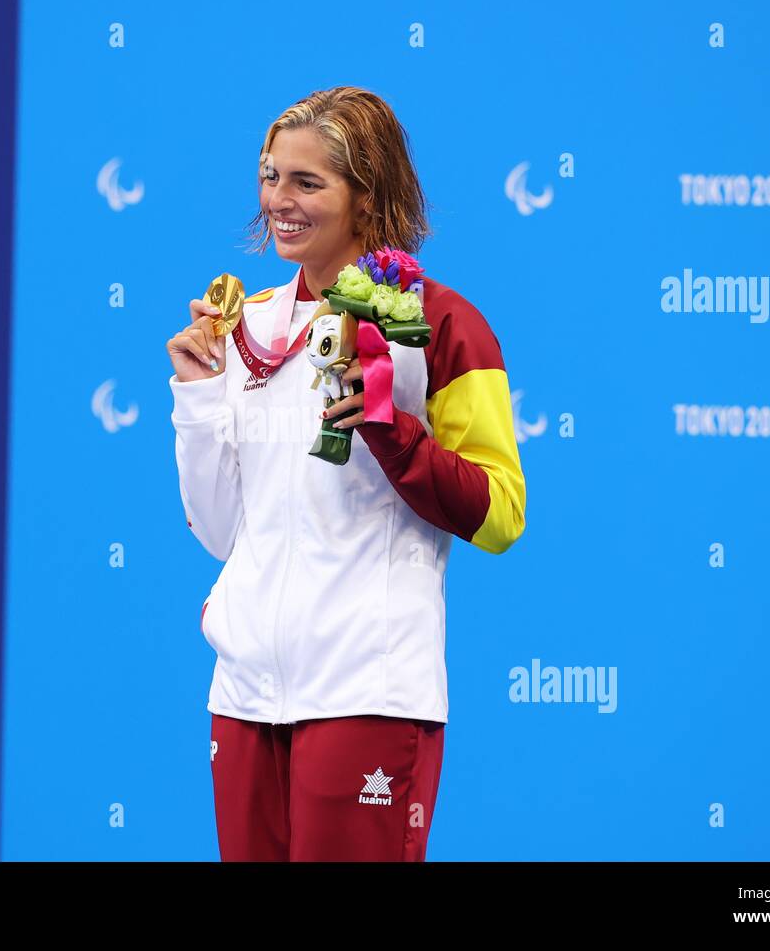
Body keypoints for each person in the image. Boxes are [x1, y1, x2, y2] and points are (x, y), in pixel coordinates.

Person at [165, 86, 526, 861]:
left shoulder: (441, 326)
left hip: (369, 689)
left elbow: (499, 515)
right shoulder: (243, 326)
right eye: (270, 176)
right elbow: (223, 531)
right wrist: (196, 398)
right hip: (246, 694)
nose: (278, 202)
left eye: (306, 182)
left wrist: (395, 433)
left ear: (369, 195)